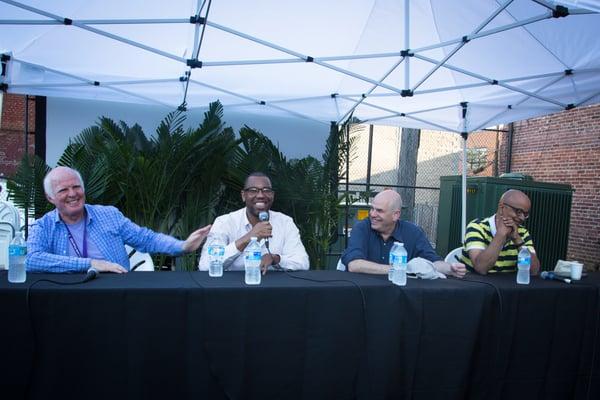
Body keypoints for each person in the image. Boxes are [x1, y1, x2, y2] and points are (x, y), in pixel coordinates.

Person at [27, 166, 211, 273]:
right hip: (66, 297)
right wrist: (90, 263)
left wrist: (182, 246)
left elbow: (145, 239)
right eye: (63, 190)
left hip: (115, 291)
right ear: (50, 198)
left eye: (76, 187)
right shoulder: (42, 226)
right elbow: (31, 260)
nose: (73, 194)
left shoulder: (109, 215)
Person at [198, 172, 309, 274]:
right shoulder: (224, 222)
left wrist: (275, 258)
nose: (260, 195)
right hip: (234, 290)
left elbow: (303, 262)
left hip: (275, 290)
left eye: (266, 190)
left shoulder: (285, 222)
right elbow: (205, 265)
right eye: (253, 190)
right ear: (243, 195)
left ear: (273, 195)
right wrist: (248, 237)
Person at [341, 189, 466, 278]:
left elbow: (433, 262)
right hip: (363, 296)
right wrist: (402, 269)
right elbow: (354, 265)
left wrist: (450, 268)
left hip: (402, 298)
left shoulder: (413, 232)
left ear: (396, 214)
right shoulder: (361, 228)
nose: (372, 214)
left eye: (379, 211)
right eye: (372, 209)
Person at [460, 189, 540, 275]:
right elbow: (481, 268)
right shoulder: (477, 227)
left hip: (507, 287)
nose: (522, 218)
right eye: (518, 212)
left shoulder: (522, 233)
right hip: (474, 285)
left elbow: (533, 271)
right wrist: (501, 235)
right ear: (502, 208)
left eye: (525, 214)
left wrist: (517, 240)